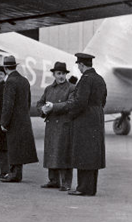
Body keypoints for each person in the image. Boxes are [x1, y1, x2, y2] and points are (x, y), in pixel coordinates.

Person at [66, 52, 107, 196]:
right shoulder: (100, 79)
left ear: (82, 65)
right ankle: (90, 188)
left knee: (83, 153)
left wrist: (71, 115)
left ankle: (82, 188)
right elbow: (103, 101)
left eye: (79, 65)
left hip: (85, 119)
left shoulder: (85, 79)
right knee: (92, 154)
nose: (78, 68)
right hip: (97, 117)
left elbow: (80, 102)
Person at [36, 61, 75, 191]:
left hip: (64, 125)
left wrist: (53, 107)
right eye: (59, 73)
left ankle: (66, 183)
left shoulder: (71, 88)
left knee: (63, 154)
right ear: (54, 74)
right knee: (51, 152)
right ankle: (53, 180)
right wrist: (43, 110)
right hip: (52, 125)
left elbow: (70, 103)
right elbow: (39, 103)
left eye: (63, 73)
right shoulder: (49, 89)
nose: (61, 76)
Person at [0, 56, 38, 182]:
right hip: (23, 118)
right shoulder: (24, 81)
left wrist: (4, 122)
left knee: (13, 146)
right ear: (15, 66)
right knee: (19, 147)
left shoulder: (10, 81)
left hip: (14, 119)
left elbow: (8, 104)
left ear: (5, 68)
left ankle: (14, 174)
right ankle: (17, 173)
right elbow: (28, 101)